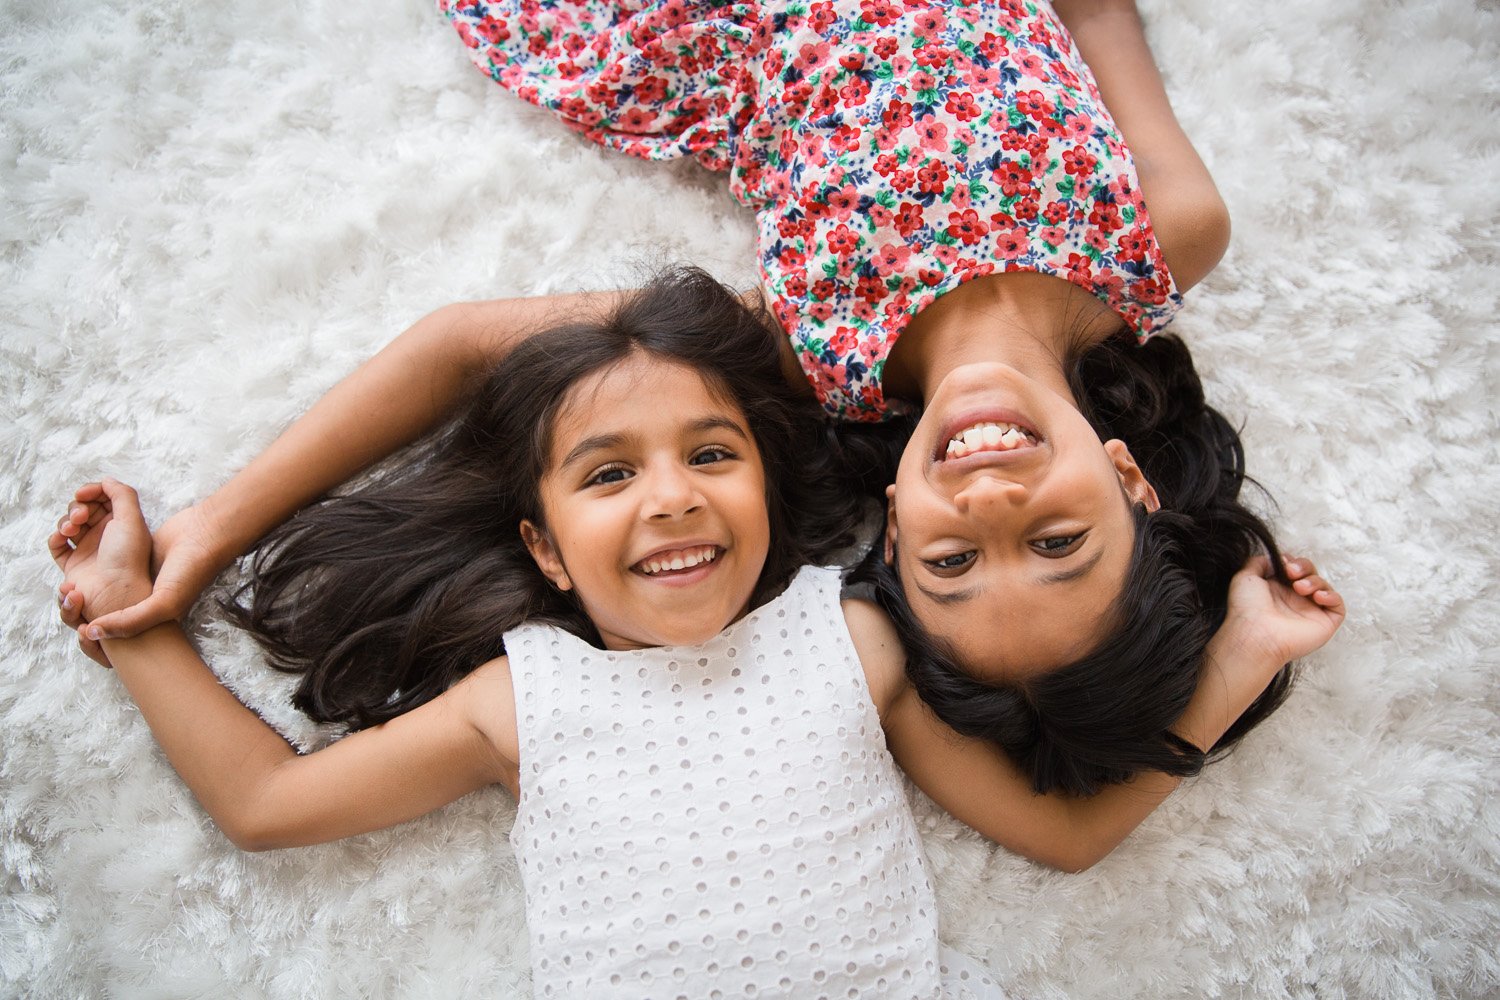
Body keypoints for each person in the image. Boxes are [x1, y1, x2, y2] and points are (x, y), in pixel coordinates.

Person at [58, 0, 1330, 794]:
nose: (988, 496)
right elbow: (1098, 14)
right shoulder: (1170, 236)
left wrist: (206, 537)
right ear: (1131, 481)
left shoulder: (811, 345)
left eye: (952, 557)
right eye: (1057, 539)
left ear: (894, 523)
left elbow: (453, 348)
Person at [50, 272, 1342, 994]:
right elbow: (268, 804)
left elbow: (1062, 834)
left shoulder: (851, 644)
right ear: (544, 550)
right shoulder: (522, 700)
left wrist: (1239, 657)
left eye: (712, 456)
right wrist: (141, 614)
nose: (670, 494)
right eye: (608, 479)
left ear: (773, 494)